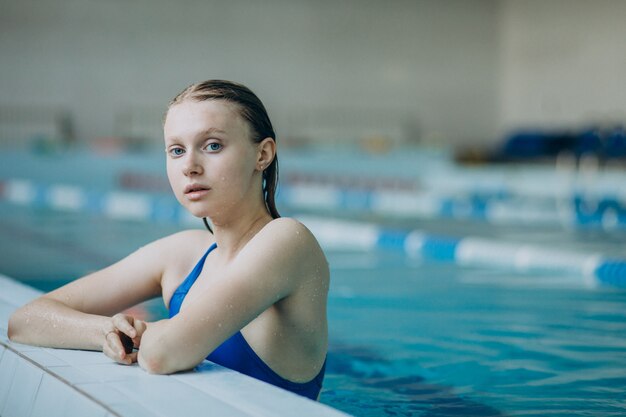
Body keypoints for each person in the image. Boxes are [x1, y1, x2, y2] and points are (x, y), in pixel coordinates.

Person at [7, 80, 329, 401]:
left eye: (213, 145)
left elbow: (163, 353)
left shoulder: (288, 240)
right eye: (176, 150)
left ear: (263, 154)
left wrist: (145, 336)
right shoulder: (183, 255)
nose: (189, 166)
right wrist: (108, 331)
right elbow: (24, 321)